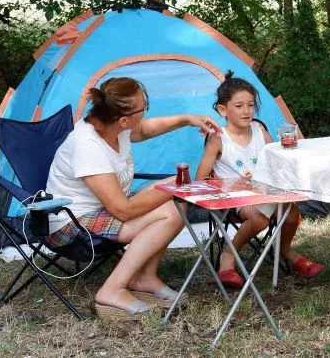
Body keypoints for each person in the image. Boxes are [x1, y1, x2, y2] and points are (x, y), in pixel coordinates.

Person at [45, 77, 222, 320]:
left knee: (180, 201)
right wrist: (169, 186)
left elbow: (143, 130)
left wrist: (187, 119)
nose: (147, 110)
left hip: (107, 210)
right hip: (71, 224)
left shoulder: (115, 127)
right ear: (123, 119)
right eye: (144, 107)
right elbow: (123, 211)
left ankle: (144, 278)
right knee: (172, 204)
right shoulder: (88, 146)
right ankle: (112, 289)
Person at [195, 72, 323, 289]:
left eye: (251, 105)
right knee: (260, 218)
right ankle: (228, 256)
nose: (246, 111)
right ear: (222, 110)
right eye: (239, 106)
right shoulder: (218, 138)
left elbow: (275, 160)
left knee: (292, 215)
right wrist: (224, 183)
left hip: (264, 192)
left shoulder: (259, 129)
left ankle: (283, 250)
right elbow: (201, 177)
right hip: (237, 198)